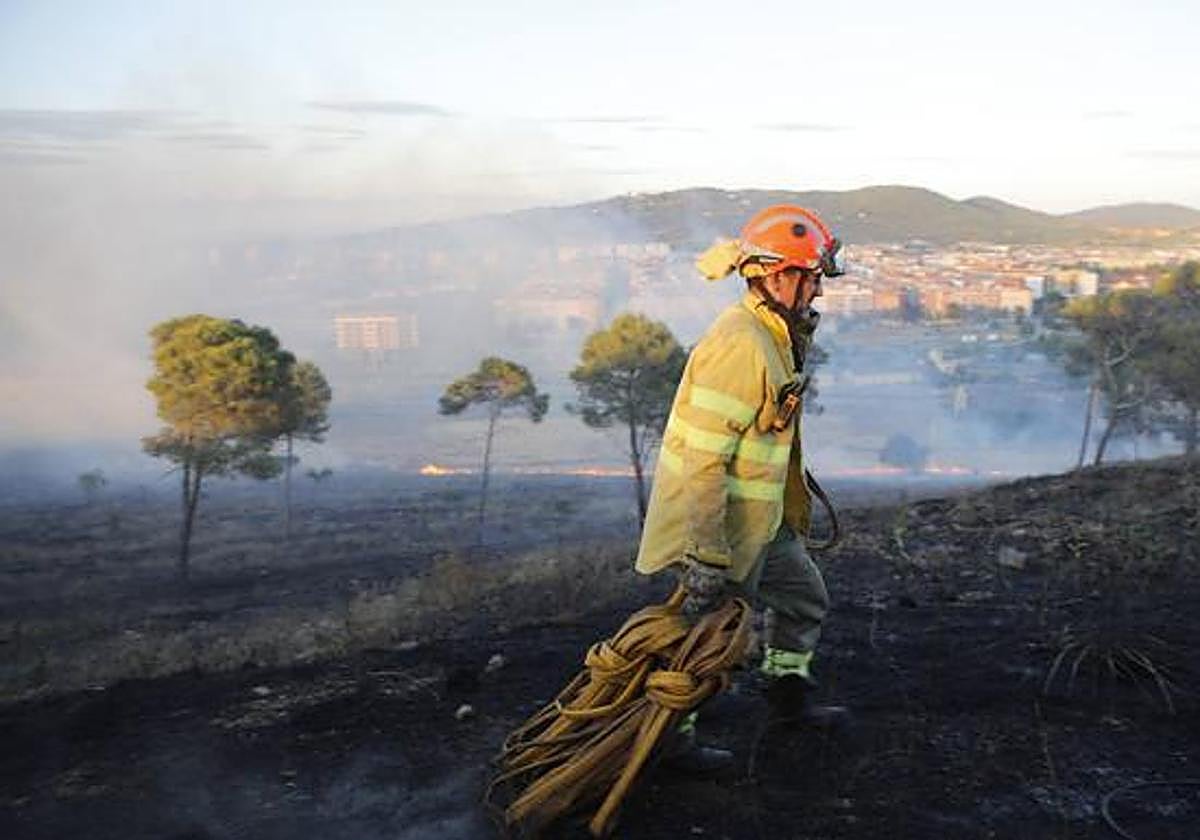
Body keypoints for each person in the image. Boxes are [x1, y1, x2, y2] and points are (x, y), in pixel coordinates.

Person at [635, 204, 848, 769]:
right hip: (720, 528)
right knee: (704, 637)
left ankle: (787, 700)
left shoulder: (775, 333)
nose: (818, 293)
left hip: (762, 524)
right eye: (813, 278)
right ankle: (673, 738)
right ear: (778, 275)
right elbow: (703, 461)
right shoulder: (741, 343)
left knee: (804, 600)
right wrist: (705, 553)